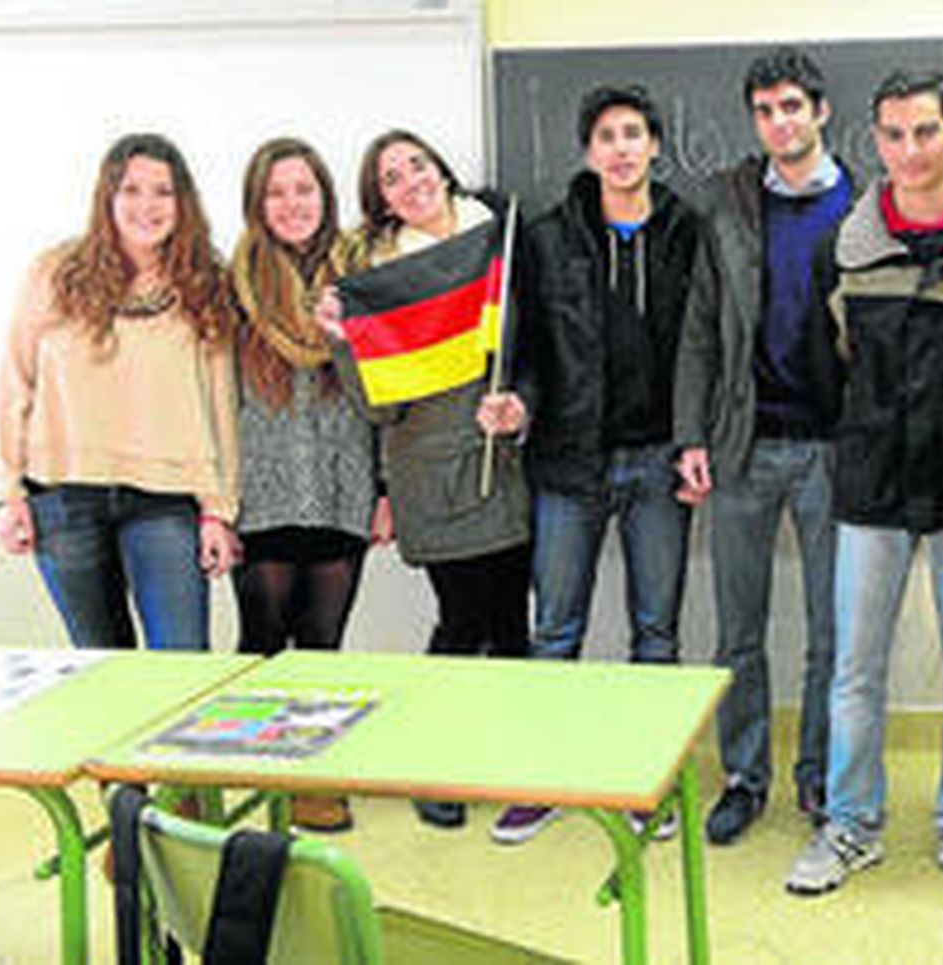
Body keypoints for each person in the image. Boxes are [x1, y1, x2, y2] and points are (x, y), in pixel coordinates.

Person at [782, 70, 943, 910]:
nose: (909, 151)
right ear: (875, 140)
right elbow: (828, 368)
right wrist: (868, 433)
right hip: (871, 485)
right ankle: (852, 821)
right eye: (893, 135)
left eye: (924, 132)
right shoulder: (847, 246)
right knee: (855, 670)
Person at [480, 84, 702, 844]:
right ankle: (545, 780)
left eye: (634, 133)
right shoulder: (546, 239)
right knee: (557, 629)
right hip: (569, 464)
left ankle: (648, 785)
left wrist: (694, 438)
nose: (621, 147)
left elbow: (701, 350)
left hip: (656, 462)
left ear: (655, 145)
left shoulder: (688, 231)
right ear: (588, 152)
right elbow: (530, 354)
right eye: (606, 135)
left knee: (656, 631)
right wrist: (521, 404)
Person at [322, 129, 532, 832]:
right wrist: (347, 340)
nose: (410, 179)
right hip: (431, 480)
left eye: (417, 163)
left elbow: (536, 347)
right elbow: (379, 403)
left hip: (502, 467)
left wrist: (519, 403)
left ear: (440, 168)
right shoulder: (384, 278)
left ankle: (513, 765)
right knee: (463, 623)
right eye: (390, 177)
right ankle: (434, 764)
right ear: (381, 201)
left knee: (512, 627)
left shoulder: (500, 236)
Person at [673, 46, 856, 845]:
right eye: (764, 109)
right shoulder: (727, 205)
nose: (779, 121)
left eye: (792, 105)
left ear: (819, 111)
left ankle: (820, 774)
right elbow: (700, 333)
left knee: (832, 633)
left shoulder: (867, 202)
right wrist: (692, 435)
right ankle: (745, 776)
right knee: (737, 631)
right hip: (745, 443)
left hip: (834, 451)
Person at [0, 133, 240, 650]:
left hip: (166, 499)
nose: (146, 206)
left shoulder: (205, 285)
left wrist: (219, 509)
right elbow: (15, 384)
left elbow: (221, 405)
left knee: (181, 667)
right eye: (131, 190)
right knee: (101, 671)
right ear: (107, 197)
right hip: (63, 498)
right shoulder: (55, 273)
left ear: (183, 203)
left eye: (162, 192)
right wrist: (9, 495)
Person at [229, 137, 391, 832]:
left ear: (325, 195)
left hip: (341, 478)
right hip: (260, 486)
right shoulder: (230, 284)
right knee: (262, 640)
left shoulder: (361, 275)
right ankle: (230, 771)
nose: (292, 204)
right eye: (277, 192)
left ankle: (311, 780)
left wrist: (386, 487)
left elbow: (390, 384)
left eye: (305, 189)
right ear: (256, 204)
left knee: (322, 638)